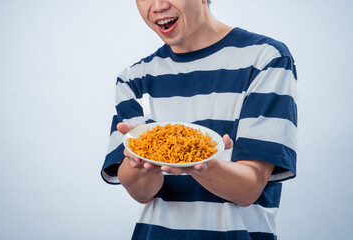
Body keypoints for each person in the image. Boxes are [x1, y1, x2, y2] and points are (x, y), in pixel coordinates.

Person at [101, 0, 297, 239]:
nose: (159, 5)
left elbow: (249, 190)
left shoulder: (266, 59)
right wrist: (138, 161)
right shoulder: (133, 79)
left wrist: (198, 162)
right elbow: (142, 193)